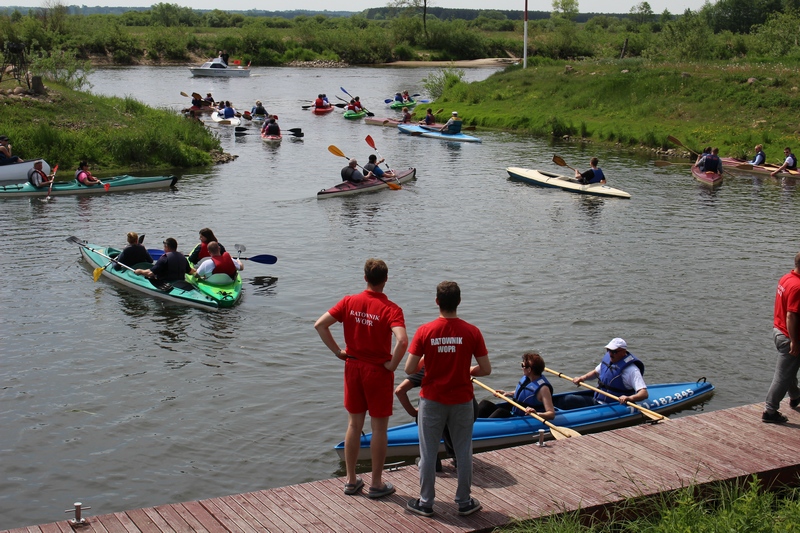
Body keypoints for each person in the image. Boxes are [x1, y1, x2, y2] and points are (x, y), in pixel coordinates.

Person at [314, 258, 408, 499]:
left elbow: (320, 325)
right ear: (386, 280)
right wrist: (392, 365)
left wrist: (338, 352)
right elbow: (402, 340)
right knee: (379, 429)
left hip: (353, 367)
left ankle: (351, 480)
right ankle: (376, 483)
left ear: (365, 278)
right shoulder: (391, 309)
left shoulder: (349, 301)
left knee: (354, 425)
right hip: (378, 372)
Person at [404, 280, 491, 518]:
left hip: (432, 400)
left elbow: (409, 368)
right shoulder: (472, 331)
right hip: (462, 400)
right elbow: (486, 369)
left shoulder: (425, 331)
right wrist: (468, 370)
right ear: (459, 302)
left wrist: (427, 360)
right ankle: (464, 501)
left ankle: (425, 503)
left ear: (437, 302)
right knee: (463, 451)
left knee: (428, 452)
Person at [395, 364, 479, 472]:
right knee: (450, 417)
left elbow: (399, 390)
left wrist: (413, 413)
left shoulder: (428, 369)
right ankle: (457, 457)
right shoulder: (459, 365)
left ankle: (433, 462)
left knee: (427, 409)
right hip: (470, 411)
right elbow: (481, 369)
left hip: (445, 414)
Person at [762, 251, 800, 424]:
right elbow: (791, 315)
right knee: (783, 375)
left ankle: (795, 396)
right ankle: (770, 411)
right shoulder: (798, 287)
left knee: (789, 369)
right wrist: (794, 342)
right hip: (790, 337)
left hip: (778, 331)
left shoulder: (786, 279)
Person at [564, 338, 648, 409]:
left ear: (623, 352)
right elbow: (595, 372)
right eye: (609, 350)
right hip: (597, 400)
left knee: (569, 399)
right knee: (566, 399)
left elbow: (644, 393)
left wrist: (629, 398)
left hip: (612, 405)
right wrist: (582, 378)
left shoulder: (631, 370)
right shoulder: (609, 360)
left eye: (614, 351)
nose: (610, 354)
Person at [476, 352, 555, 420]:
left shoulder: (543, 389)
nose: (522, 368)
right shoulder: (528, 379)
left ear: (529, 370)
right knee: (484, 404)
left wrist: (536, 413)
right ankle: (472, 422)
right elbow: (524, 393)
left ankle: (479, 429)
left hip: (523, 418)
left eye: (522, 365)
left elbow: (551, 414)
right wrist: (507, 393)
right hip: (514, 412)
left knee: (500, 412)